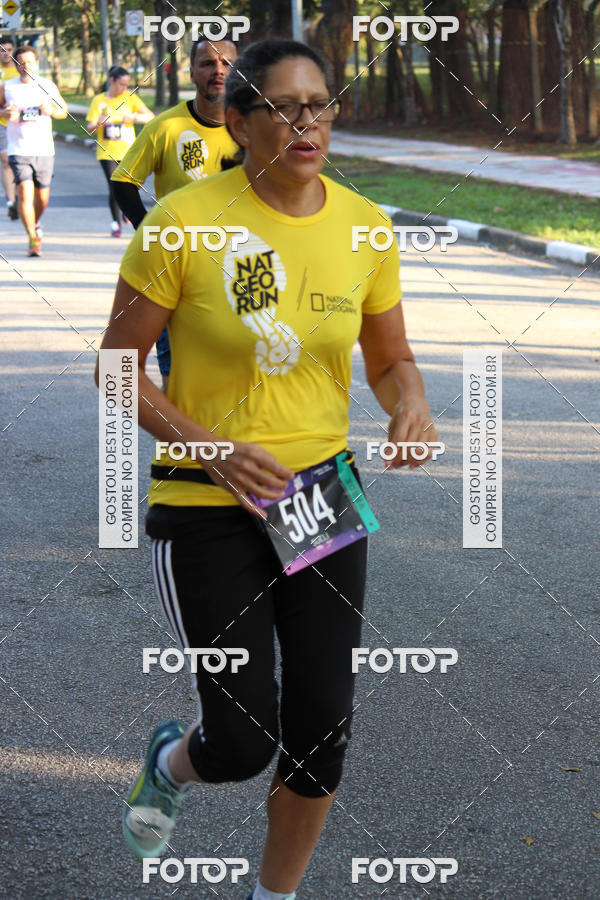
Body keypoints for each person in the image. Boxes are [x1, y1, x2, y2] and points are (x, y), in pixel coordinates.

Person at [96, 39, 438, 900]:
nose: (306, 122)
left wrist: (409, 399)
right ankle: (174, 763)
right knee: (243, 743)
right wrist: (211, 447)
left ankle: (273, 897)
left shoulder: (365, 225)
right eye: (283, 108)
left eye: (319, 103)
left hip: (318, 492)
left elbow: (391, 356)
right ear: (241, 123)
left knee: (323, 724)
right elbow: (114, 369)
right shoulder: (182, 224)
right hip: (204, 499)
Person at [111, 38, 238, 388]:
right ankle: (181, 442)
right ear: (192, 72)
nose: (219, 71)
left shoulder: (256, 130)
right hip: (178, 274)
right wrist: (149, 233)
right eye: (208, 63)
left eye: (227, 63)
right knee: (180, 384)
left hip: (242, 271)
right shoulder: (166, 127)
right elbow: (124, 181)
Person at [0, 44, 67, 256]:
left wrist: (51, 110)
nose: (25, 66)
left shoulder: (47, 85)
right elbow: (0, 109)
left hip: (44, 149)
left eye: (29, 61)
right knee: (24, 193)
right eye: (21, 62)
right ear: (16, 64)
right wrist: (5, 113)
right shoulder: (7, 86)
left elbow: (63, 110)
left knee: (43, 198)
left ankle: (35, 223)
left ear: (36, 63)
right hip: (18, 149)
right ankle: (33, 238)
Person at [85, 65, 153, 237]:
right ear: (112, 81)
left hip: (128, 150)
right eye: (121, 84)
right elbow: (89, 128)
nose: (124, 88)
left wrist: (134, 117)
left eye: (127, 84)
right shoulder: (99, 101)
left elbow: (150, 117)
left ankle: (126, 211)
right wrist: (99, 123)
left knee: (129, 185)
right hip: (106, 153)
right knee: (113, 187)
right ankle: (115, 222)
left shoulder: (130, 98)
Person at [0, 36, 18, 220]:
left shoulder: (20, 71)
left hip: (21, 124)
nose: (5, 54)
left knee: (17, 161)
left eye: (9, 50)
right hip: (2, 124)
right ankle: (11, 202)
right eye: (2, 50)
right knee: (5, 161)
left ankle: (19, 193)